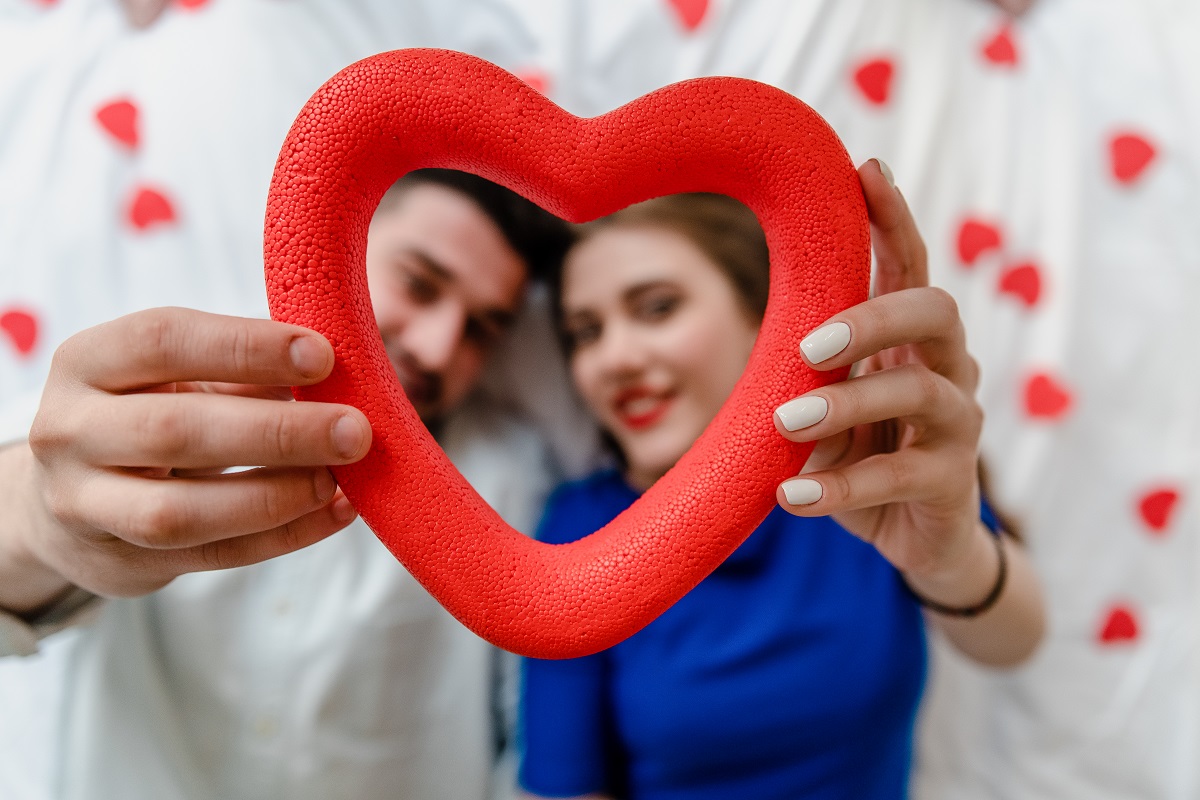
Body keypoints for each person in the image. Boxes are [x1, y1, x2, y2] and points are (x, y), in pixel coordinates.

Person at [0, 168, 572, 799]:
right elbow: (22, 523)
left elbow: (530, 734)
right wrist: (43, 518)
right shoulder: (151, 399)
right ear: (339, 253)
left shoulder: (512, 481)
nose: (439, 349)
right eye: (418, 284)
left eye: (482, 329)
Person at [518, 163, 1045, 799]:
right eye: (585, 333)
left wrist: (951, 553)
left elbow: (1016, 641)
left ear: (761, 322)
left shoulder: (868, 473)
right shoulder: (578, 530)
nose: (615, 359)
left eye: (657, 308)